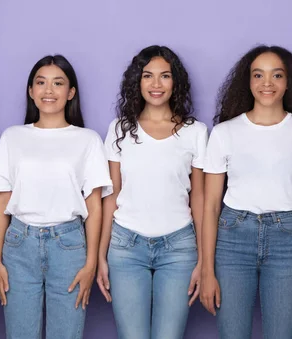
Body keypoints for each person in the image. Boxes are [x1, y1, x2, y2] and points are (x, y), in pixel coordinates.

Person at [200, 45, 292, 338]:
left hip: (288, 240)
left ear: (288, 82)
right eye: (258, 75)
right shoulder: (225, 133)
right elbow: (210, 206)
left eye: (277, 75)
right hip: (233, 238)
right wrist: (207, 270)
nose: (267, 83)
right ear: (248, 82)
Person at [0, 55, 112, 339]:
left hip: (69, 247)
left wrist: (91, 262)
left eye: (58, 83)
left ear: (70, 93)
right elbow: (1, 204)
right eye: (41, 83)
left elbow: (94, 206)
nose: (49, 90)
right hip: (19, 245)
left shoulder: (88, 140)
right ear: (31, 91)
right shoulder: (12, 137)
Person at [97, 45, 207, 339]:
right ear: (138, 81)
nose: (156, 85)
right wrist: (100, 256)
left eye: (165, 76)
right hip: (126, 245)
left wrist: (203, 261)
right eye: (148, 76)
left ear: (176, 83)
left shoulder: (195, 131)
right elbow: (111, 195)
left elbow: (200, 198)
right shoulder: (120, 129)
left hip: (179, 247)